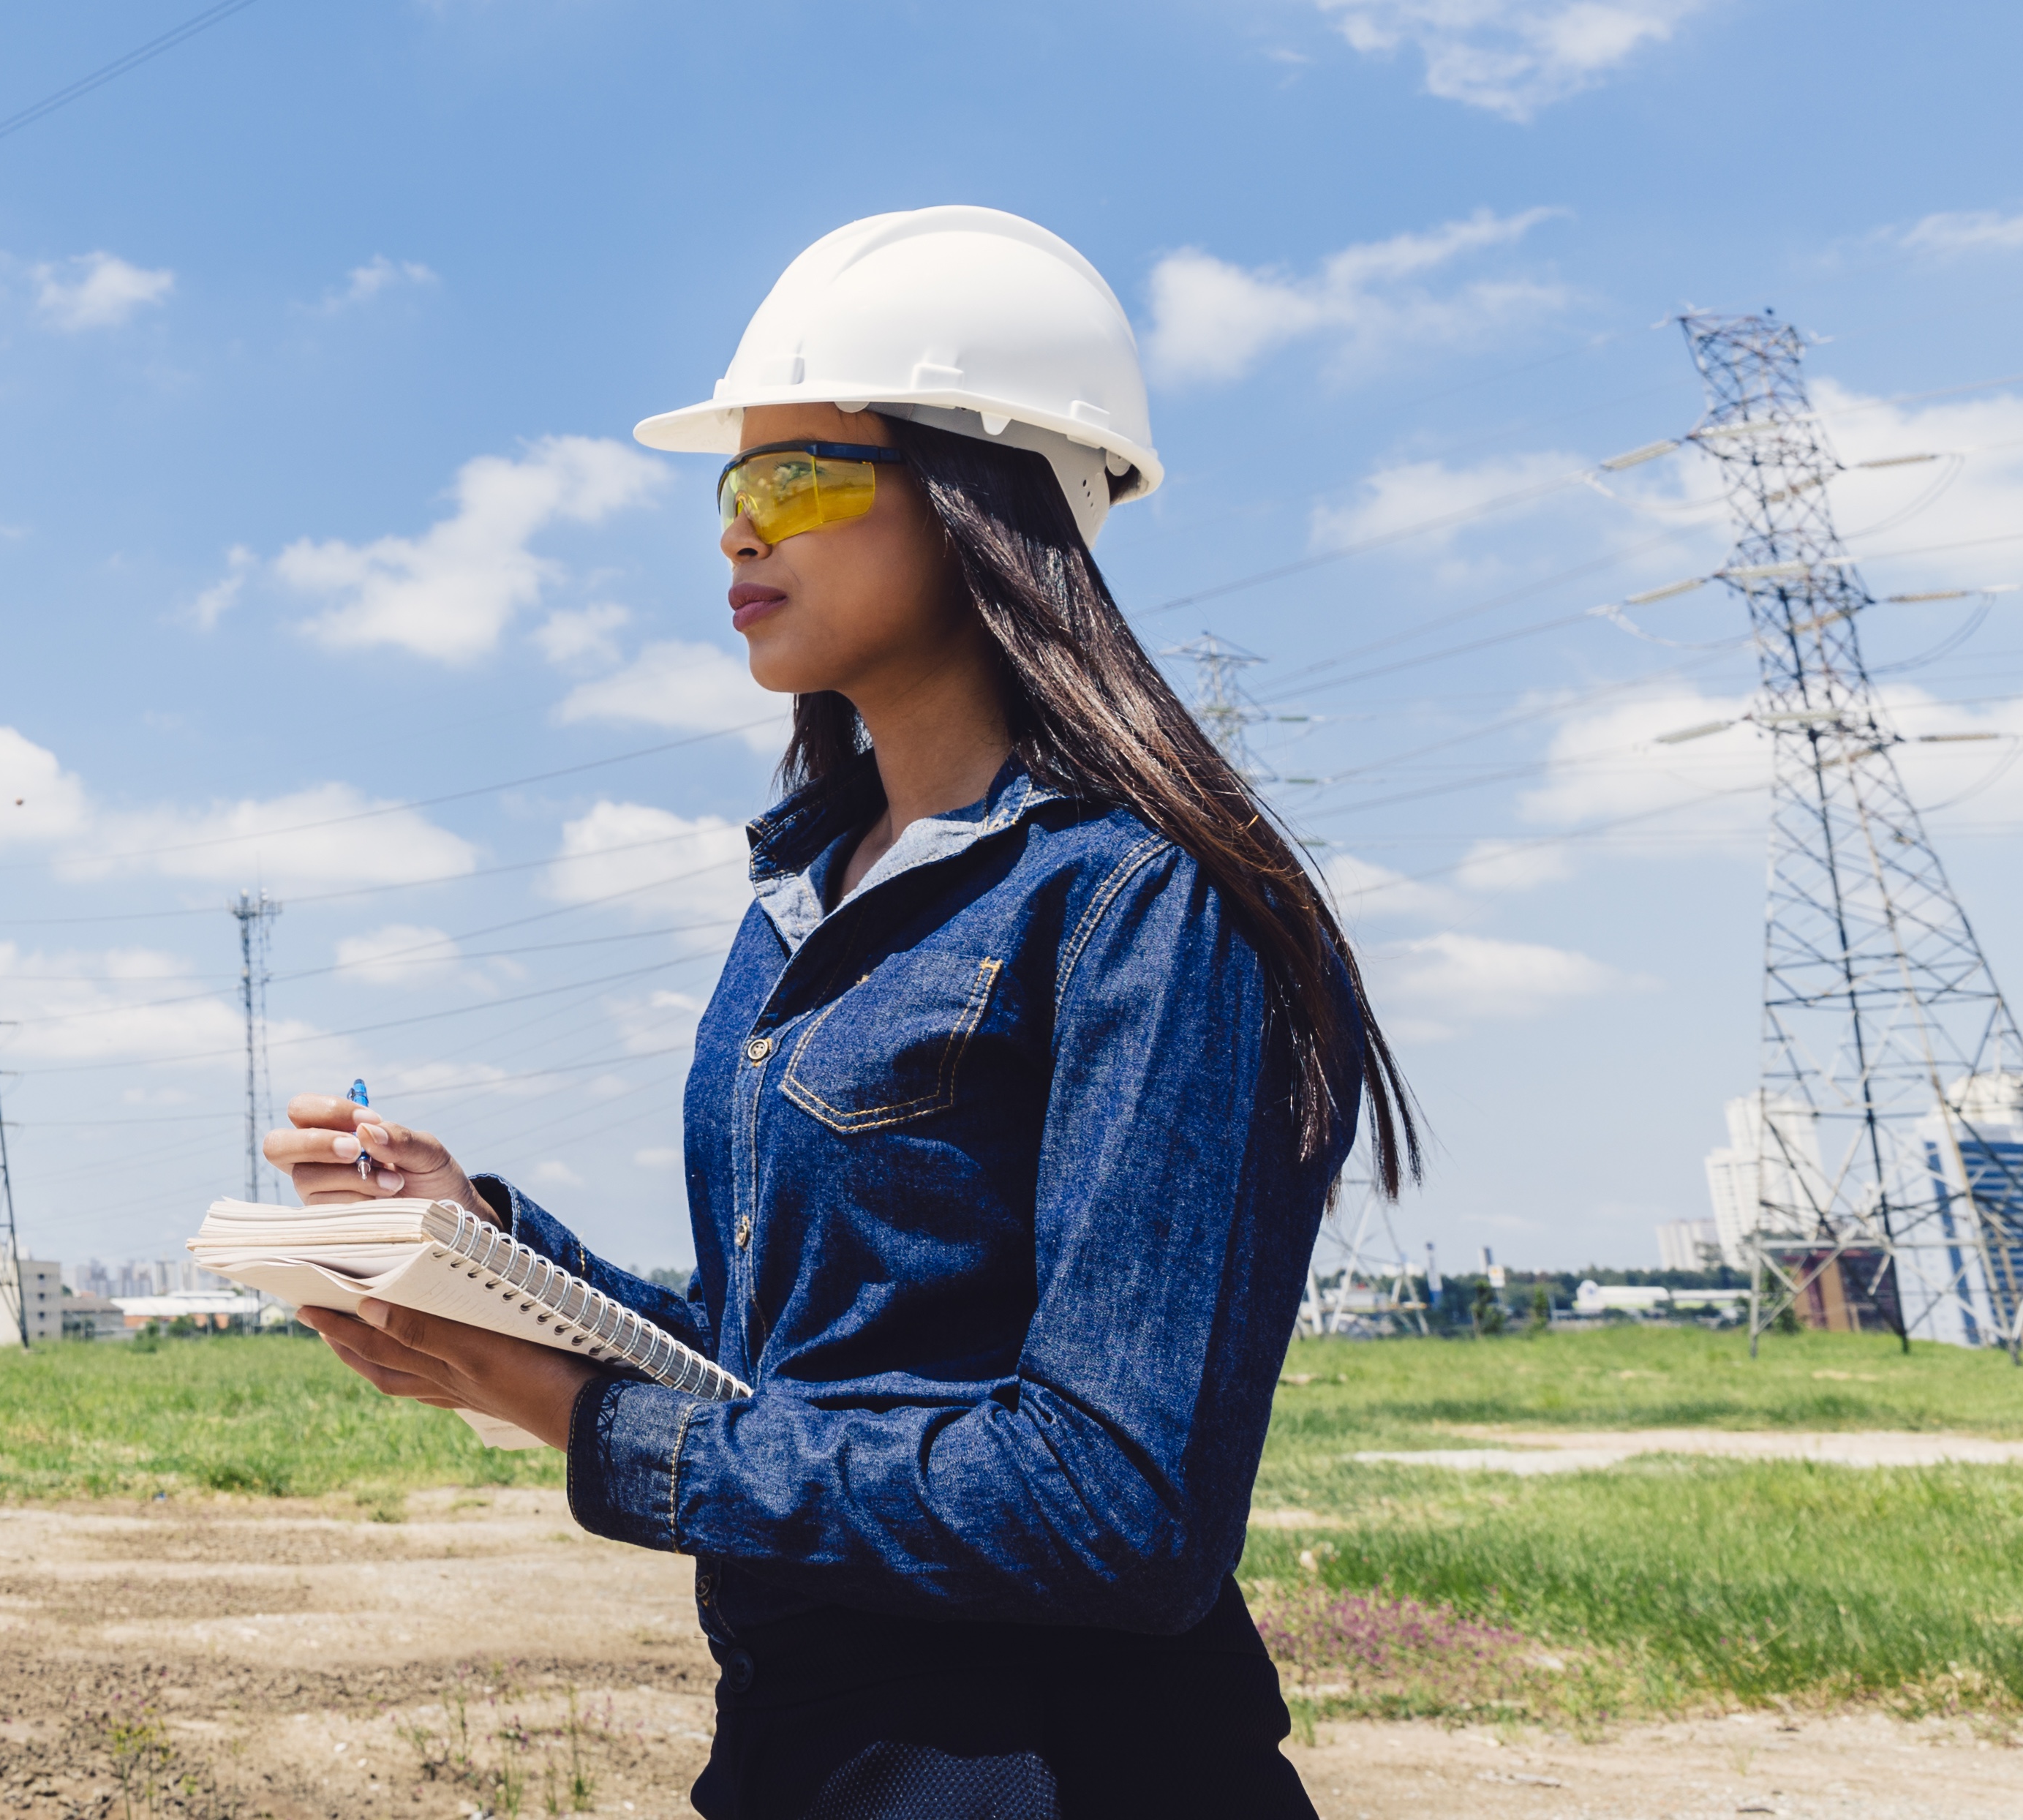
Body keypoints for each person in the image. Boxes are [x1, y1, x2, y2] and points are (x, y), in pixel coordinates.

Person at [265, 206, 1416, 1819]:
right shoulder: (802, 895)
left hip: (1054, 1773)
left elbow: (1118, 1502)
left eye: (797, 478)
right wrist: (480, 1245)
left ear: (978, 501)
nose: (739, 535)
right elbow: (786, 1366)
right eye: (730, 491)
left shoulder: (1149, 901)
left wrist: (597, 1431)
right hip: (803, 1758)